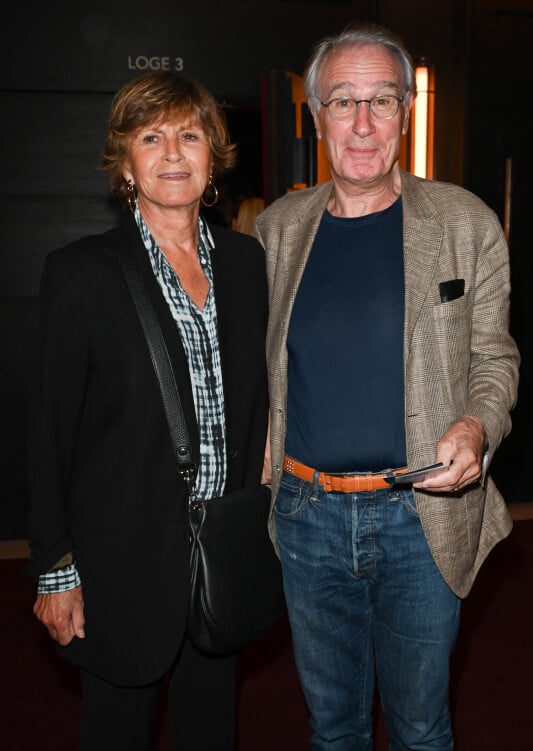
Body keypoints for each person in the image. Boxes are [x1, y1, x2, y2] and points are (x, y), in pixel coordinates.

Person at [255, 21, 519, 751]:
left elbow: (496, 359)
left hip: (419, 521)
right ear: (316, 116)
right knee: (332, 728)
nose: (363, 122)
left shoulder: (467, 222)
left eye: (382, 100)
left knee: (421, 726)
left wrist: (476, 425)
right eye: (344, 101)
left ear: (407, 110)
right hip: (306, 517)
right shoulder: (276, 230)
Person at [27, 70, 269, 751]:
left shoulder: (250, 265)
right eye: (151, 136)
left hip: (222, 559)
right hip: (120, 566)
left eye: (189, 135)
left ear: (212, 155)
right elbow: (48, 432)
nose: (172, 153)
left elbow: (262, 401)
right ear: (125, 161)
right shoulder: (81, 273)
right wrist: (55, 567)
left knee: (211, 733)